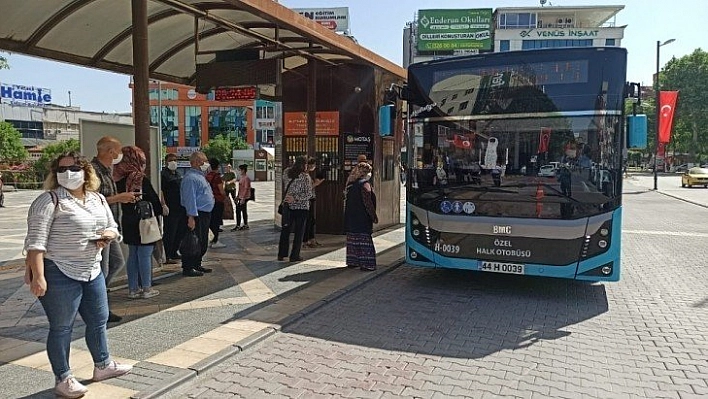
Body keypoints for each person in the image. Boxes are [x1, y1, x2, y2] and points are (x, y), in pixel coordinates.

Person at [24, 151, 132, 398]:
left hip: (92, 270)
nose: (67, 174)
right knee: (62, 327)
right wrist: (39, 277)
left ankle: (103, 365)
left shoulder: (98, 199)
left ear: (85, 172)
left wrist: (109, 235)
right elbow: (35, 244)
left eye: (73, 168)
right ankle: (63, 378)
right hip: (58, 271)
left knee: (99, 319)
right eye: (61, 170)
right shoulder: (49, 201)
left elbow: (112, 226)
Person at [91, 136, 137, 323]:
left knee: (117, 263)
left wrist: (120, 198)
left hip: (110, 226)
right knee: (103, 267)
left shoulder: (107, 171)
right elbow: (93, 200)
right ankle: (98, 305)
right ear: (110, 152)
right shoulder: (93, 171)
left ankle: (97, 293)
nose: (119, 156)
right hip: (99, 228)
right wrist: (119, 198)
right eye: (117, 152)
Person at [114, 146, 163, 299]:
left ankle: (133, 289)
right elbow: (154, 200)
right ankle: (147, 288)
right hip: (144, 221)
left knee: (132, 255)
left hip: (128, 220)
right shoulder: (140, 178)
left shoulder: (117, 178)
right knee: (145, 255)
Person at [180, 151, 215, 276]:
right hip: (197, 214)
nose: (206, 164)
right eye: (203, 161)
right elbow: (190, 199)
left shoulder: (200, 176)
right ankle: (188, 267)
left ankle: (197, 264)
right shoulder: (191, 178)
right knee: (192, 241)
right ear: (195, 162)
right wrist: (191, 217)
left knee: (201, 241)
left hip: (205, 213)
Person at [344, 162, 378, 271]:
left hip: (350, 216)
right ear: (366, 173)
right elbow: (368, 203)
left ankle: (353, 261)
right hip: (362, 217)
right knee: (364, 239)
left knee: (353, 239)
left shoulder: (350, 184)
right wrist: (373, 216)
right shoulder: (365, 185)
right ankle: (367, 264)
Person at [277, 156, 313, 262]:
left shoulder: (286, 172)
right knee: (299, 232)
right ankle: (294, 255)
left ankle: (282, 254)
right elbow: (308, 194)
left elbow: (286, 185)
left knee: (285, 230)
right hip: (301, 208)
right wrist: (296, 198)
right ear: (304, 165)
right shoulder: (305, 177)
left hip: (288, 206)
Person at [160, 153, 186, 263]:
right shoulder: (163, 175)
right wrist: (163, 204)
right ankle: (167, 254)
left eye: (175, 160)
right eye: (171, 160)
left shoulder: (178, 174)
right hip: (170, 208)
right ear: (166, 162)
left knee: (180, 231)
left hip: (180, 207)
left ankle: (174, 251)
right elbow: (160, 190)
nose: (173, 162)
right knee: (170, 232)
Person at [205, 158, 226, 248]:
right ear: (218, 166)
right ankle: (215, 240)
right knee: (216, 221)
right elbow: (221, 191)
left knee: (211, 220)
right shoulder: (217, 177)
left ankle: (211, 239)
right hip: (218, 201)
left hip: (209, 200)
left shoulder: (207, 176)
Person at [303, 157, 324, 247]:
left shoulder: (308, 175)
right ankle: (306, 240)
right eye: (313, 165)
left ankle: (311, 239)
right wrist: (316, 184)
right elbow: (306, 189)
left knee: (311, 220)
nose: (314, 167)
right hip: (307, 199)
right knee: (308, 220)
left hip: (311, 198)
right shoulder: (304, 175)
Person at [233, 163, 252, 231]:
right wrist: (237, 196)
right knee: (243, 211)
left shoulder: (246, 178)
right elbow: (240, 188)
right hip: (241, 196)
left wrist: (243, 198)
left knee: (238, 210)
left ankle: (238, 225)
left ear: (243, 170)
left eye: (240, 170)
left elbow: (246, 189)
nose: (239, 171)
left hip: (244, 197)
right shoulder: (242, 177)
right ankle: (245, 224)